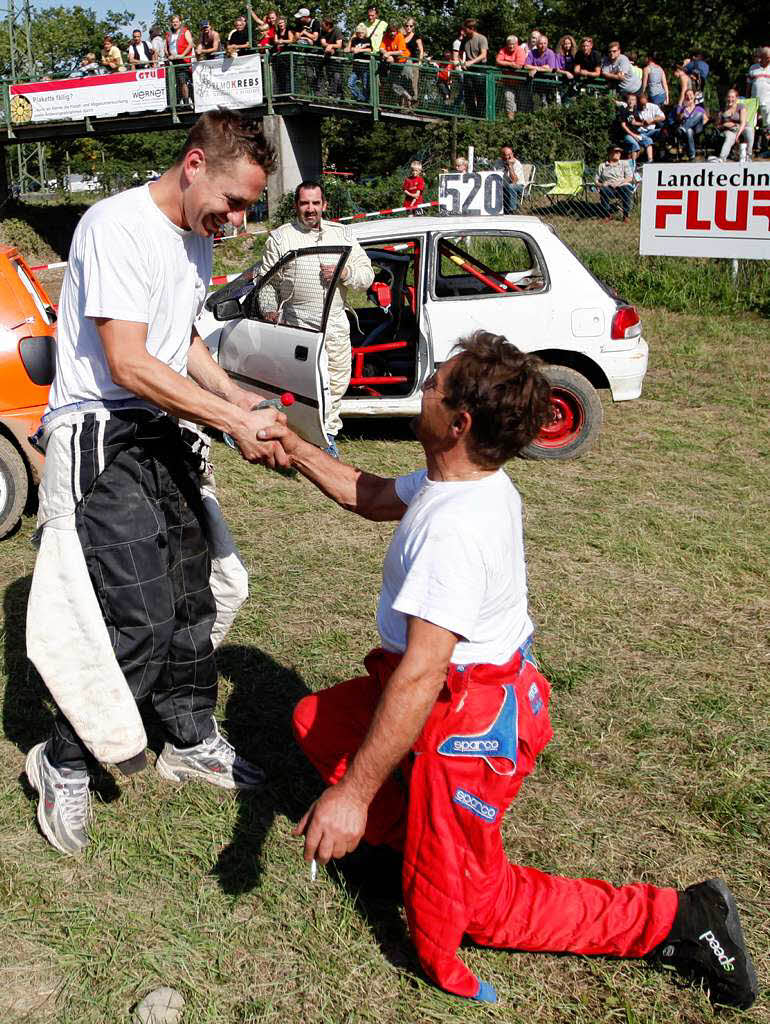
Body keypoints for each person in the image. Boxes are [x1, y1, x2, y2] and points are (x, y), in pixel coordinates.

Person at [270, 332, 758, 1012]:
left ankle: (681, 920)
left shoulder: (455, 532)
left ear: (459, 423)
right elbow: (372, 493)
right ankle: (410, 855)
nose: (425, 388)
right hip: (450, 692)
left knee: (475, 912)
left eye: (436, 384)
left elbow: (421, 675)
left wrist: (353, 797)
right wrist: (297, 450)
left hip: (466, 724)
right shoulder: (459, 479)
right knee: (318, 722)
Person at [23, 111, 287, 857]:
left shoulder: (194, 241)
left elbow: (184, 339)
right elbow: (130, 364)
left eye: (245, 211)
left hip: (162, 429)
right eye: (233, 202)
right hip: (101, 431)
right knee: (132, 613)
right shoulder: (116, 226)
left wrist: (236, 399)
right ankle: (62, 761)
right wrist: (231, 425)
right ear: (196, 163)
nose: (235, 222)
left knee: (193, 595)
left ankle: (188, 737)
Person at [258, 181, 374, 457]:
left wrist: (343, 273)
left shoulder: (342, 234)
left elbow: (367, 276)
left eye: (315, 203)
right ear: (297, 205)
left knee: (335, 383)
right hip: (295, 325)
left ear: (324, 205)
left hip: (333, 323)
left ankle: (327, 437)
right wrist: (270, 311)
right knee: (299, 386)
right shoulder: (281, 238)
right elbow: (266, 284)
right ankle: (297, 439)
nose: (310, 209)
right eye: (304, 203)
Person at [595, 144, 634, 221]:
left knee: (626, 188)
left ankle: (626, 215)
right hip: (609, 188)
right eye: (616, 151)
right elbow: (596, 181)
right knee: (603, 190)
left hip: (622, 186)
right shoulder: (602, 166)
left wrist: (618, 183)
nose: (619, 153)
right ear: (610, 153)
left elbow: (630, 178)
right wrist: (602, 184)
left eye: (619, 152)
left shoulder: (624, 163)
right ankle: (607, 214)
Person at [717, 88, 754, 160]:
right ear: (726, 98)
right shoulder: (723, 110)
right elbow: (718, 125)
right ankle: (722, 158)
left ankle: (748, 155)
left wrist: (738, 135)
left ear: (736, 98)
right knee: (729, 138)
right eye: (728, 97)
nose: (730, 99)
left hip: (742, 127)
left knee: (749, 130)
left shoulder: (741, 106)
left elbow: (743, 123)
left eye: (732, 97)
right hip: (731, 130)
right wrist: (724, 125)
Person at [461, 19, 488, 118]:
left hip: (480, 68)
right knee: (468, 92)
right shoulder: (465, 40)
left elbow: (483, 55)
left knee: (480, 93)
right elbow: (460, 53)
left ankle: (481, 117)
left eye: (466, 29)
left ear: (472, 29)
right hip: (468, 69)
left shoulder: (482, 38)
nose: (464, 31)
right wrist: (462, 62)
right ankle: (471, 116)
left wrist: (471, 62)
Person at [495, 35, 526, 119]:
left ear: (517, 43)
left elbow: (519, 65)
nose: (511, 46)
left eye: (513, 44)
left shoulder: (520, 50)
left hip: (520, 82)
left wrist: (505, 62)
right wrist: (510, 64)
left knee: (522, 102)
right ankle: (511, 123)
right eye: (509, 44)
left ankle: (522, 121)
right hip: (507, 82)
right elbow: (498, 61)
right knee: (509, 101)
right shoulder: (503, 50)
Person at [674, 87, 708, 160]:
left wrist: (699, 123)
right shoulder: (683, 108)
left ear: (694, 96)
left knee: (699, 114)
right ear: (685, 97)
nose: (689, 96)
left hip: (697, 128)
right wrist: (683, 111)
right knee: (689, 131)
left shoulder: (699, 108)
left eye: (691, 94)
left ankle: (684, 127)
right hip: (687, 132)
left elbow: (706, 119)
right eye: (687, 95)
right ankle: (692, 155)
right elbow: (678, 119)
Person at [166, 15, 193, 103]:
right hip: (173, 61)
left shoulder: (185, 31)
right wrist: (168, 55)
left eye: (176, 22)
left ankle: (186, 101)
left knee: (182, 80)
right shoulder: (169, 33)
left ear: (180, 22)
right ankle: (178, 102)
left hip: (183, 60)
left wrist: (183, 55)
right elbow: (165, 47)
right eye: (173, 22)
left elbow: (190, 44)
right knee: (175, 82)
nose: (175, 23)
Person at [747, 47, 770, 152]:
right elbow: (749, 85)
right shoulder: (753, 68)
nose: (769, 59)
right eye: (767, 57)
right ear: (762, 57)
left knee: (767, 126)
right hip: (753, 102)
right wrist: (747, 100)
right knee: (751, 126)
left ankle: (765, 148)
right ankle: (749, 150)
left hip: (767, 102)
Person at [635, 92, 666, 161]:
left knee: (663, 131)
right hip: (640, 132)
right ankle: (650, 160)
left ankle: (662, 155)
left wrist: (652, 120)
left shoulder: (653, 106)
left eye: (644, 104)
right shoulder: (635, 110)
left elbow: (663, 117)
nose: (643, 106)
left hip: (652, 131)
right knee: (648, 140)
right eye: (641, 104)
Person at [494, 145, 525, 213]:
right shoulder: (498, 162)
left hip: (518, 186)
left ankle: (512, 211)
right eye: (507, 155)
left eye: (511, 154)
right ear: (502, 156)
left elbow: (514, 181)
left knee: (510, 186)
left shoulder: (517, 163)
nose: (510, 156)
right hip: (502, 185)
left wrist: (510, 166)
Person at [347, 23, 373, 102]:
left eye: (362, 32)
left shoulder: (368, 39)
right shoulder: (354, 39)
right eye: (358, 32)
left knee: (365, 85)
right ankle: (361, 98)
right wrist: (353, 49)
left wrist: (359, 50)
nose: (360, 34)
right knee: (350, 83)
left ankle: (365, 101)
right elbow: (351, 49)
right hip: (356, 66)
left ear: (364, 32)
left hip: (365, 66)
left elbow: (370, 49)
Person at [318, 18, 344, 97]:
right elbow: (323, 43)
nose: (321, 27)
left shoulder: (337, 31)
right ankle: (331, 95)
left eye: (323, 25)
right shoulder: (322, 31)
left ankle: (338, 96)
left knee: (337, 76)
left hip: (337, 57)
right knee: (329, 76)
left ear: (328, 25)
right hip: (327, 57)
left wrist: (331, 46)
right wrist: (330, 48)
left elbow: (339, 44)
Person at [402, 18, 424, 105]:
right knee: (403, 83)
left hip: (413, 63)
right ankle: (403, 105)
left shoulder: (416, 37)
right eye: (407, 26)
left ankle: (413, 104)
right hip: (403, 63)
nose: (408, 27)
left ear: (413, 27)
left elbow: (421, 50)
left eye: (411, 26)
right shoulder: (402, 37)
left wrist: (420, 62)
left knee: (413, 84)